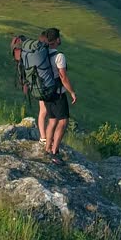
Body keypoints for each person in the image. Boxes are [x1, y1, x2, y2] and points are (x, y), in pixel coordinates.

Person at [39, 27, 77, 164]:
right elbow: (63, 77)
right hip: (58, 94)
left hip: (46, 93)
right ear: (56, 40)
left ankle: (47, 148)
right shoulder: (59, 56)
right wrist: (72, 92)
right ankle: (54, 152)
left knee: (52, 120)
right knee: (63, 121)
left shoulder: (42, 55)